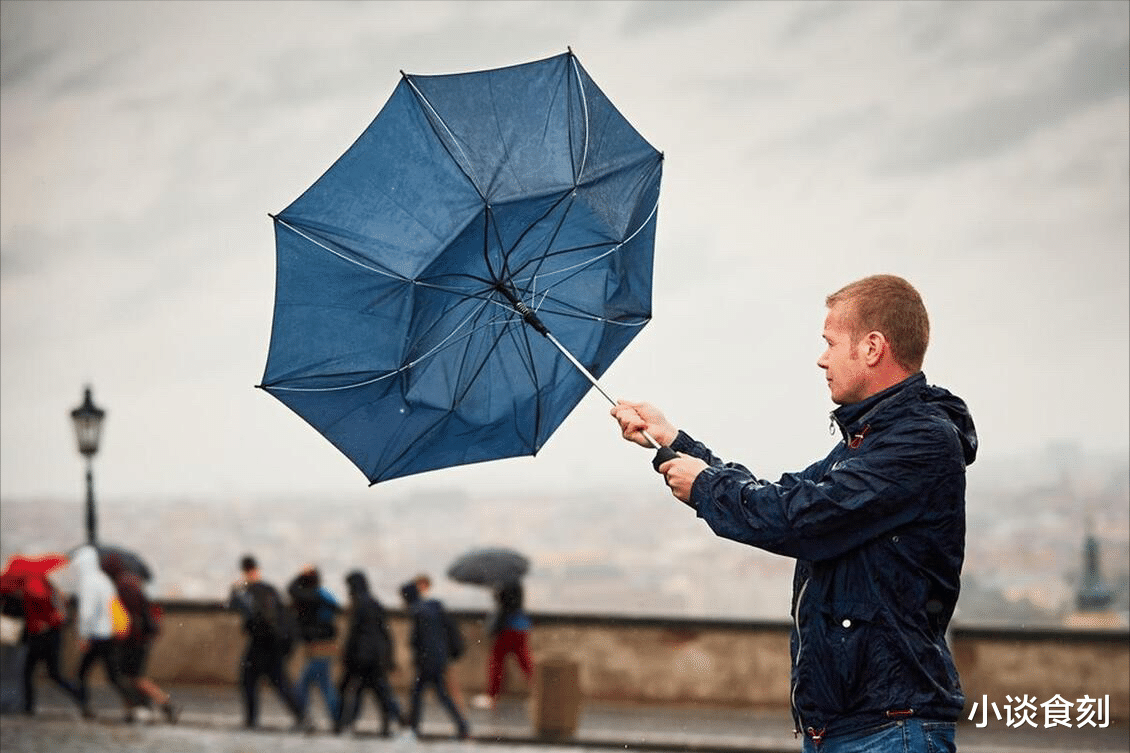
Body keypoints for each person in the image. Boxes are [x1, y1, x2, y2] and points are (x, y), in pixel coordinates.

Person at [610, 275, 976, 753]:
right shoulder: (864, 444)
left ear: (871, 347)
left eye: (830, 343)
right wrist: (672, 442)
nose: (821, 359)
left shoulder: (919, 442)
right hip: (850, 726)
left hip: (890, 728)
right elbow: (780, 496)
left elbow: (800, 519)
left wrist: (703, 487)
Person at [101, 551, 180, 723]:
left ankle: (163, 703)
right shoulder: (131, 584)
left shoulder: (123, 587)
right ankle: (143, 706)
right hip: (139, 639)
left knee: (134, 677)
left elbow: (128, 615)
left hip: (133, 640)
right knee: (130, 677)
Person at [228, 555, 306, 730]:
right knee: (278, 681)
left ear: (245, 572)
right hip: (273, 643)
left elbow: (235, 605)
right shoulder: (269, 589)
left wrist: (235, 590)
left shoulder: (249, 591)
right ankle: (302, 717)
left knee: (251, 679)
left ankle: (252, 719)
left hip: (263, 643)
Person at [4, 564, 82, 715]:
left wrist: (47, 623)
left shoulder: (36, 590)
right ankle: (28, 707)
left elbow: (55, 617)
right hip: (41, 636)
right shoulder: (49, 590)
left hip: (43, 637)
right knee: (34, 672)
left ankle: (77, 695)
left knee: (44, 673)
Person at [335, 570, 403, 736]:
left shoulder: (359, 604)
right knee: (376, 691)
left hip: (362, 656)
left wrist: (348, 655)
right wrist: (388, 655)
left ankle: (343, 724)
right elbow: (384, 632)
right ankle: (393, 721)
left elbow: (355, 633)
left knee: (351, 689)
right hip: (375, 656)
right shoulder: (374, 603)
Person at [401, 576, 470, 740]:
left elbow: (416, 640)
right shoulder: (433, 609)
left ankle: (414, 728)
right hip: (439, 657)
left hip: (427, 661)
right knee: (439, 694)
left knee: (420, 694)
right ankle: (462, 726)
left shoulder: (418, 612)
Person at [70, 545, 132, 719]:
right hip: (108, 634)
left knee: (82, 673)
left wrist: (83, 635)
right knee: (113, 675)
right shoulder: (103, 579)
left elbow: (87, 612)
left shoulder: (88, 582)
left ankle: (85, 707)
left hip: (96, 636)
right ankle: (133, 704)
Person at [287, 565, 342, 727]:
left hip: (319, 646)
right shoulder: (324, 595)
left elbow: (292, 589)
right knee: (325, 686)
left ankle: (305, 718)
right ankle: (336, 719)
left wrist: (299, 574)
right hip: (324, 645)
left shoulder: (313, 596)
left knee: (305, 686)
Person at [472, 580, 533, 711]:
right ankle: (540, 692)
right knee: (525, 662)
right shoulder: (516, 584)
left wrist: (497, 594)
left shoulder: (506, 585)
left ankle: (492, 697)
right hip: (521, 626)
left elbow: (505, 606)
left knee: (497, 662)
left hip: (507, 628)